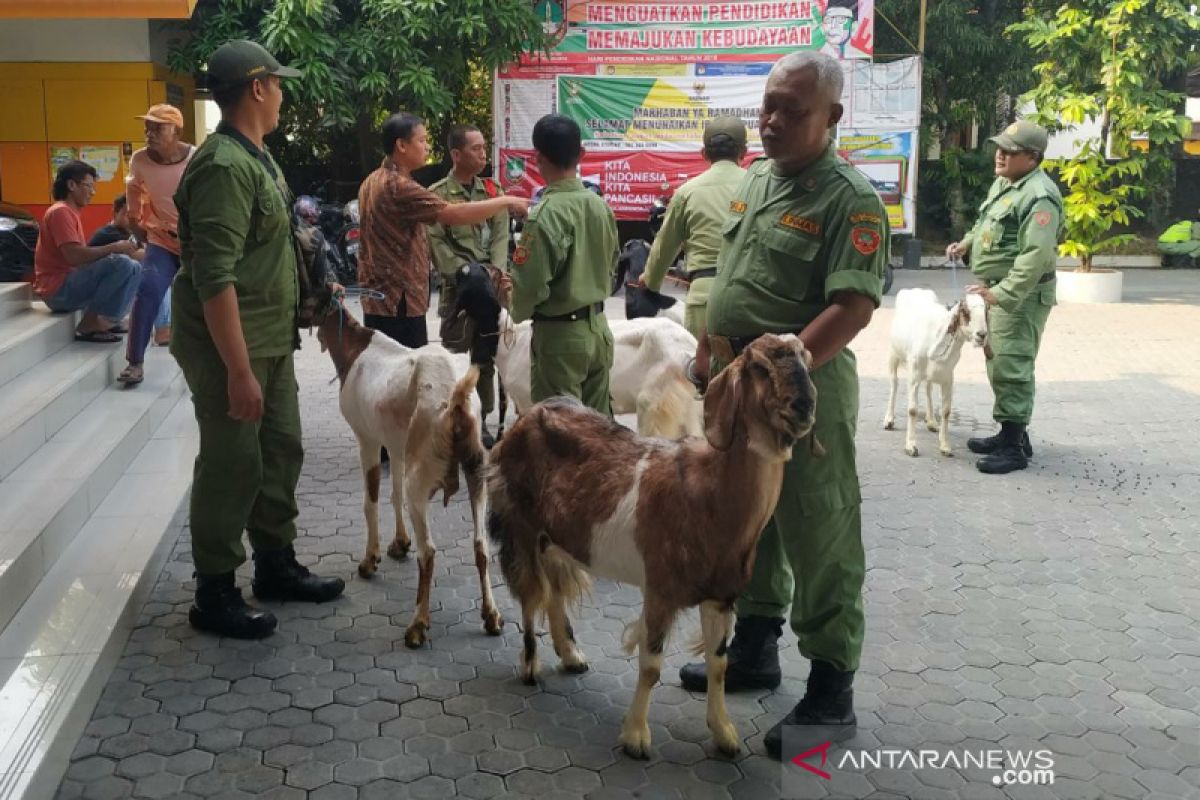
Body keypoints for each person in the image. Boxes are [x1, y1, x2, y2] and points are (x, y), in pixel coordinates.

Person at [674, 52, 887, 762]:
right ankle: (757, 647)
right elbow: (735, 277)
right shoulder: (758, 178)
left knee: (817, 530)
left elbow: (851, 308)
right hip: (738, 381)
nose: (772, 120)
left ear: (832, 117)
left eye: (793, 110)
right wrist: (713, 353)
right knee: (746, 519)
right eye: (768, 105)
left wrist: (784, 372)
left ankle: (831, 690)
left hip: (799, 393)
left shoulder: (848, 198)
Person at [172, 40, 345, 640]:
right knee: (231, 462)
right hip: (232, 349)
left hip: (269, 340)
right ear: (256, 88)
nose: (282, 93)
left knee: (280, 450)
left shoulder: (259, 157)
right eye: (278, 82)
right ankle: (215, 589)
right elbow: (212, 276)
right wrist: (238, 372)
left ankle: (275, 563)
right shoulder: (223, 166)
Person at [946, 119, 1062, 475]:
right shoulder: (1006, 184)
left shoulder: (1040, 196)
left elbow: (1035, 256)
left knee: (1011, 364)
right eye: (999, 148)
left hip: (1019, 294)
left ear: (1032, 157)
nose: (1000, 155)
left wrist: (1002, 293)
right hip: (995, 290)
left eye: (1009, 152)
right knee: (997, 361)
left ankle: (1014, 448)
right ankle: (1011, 432)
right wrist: (965, 245)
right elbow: (984, 225)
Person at [356, 113, 527, 350]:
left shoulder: (373, 180)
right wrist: (506, 200)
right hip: (399, 301)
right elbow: (453, 215)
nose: (427, 147)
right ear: (401, 145)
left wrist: (492, 274)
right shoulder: (399, 186)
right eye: (422, 140)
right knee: (408, 375)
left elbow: (499, 237)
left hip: (382, 299)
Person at [510, 115, 619, 415]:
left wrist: (514, 311)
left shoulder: (544, 215)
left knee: (560, 438)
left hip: (560, 339)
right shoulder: (600, 206)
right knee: (599, 437)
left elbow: (529, 286)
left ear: (537, 158)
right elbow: (612, 262)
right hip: (599, 330)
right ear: (581, 154)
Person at [428, 124, 510, 446]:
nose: (483, 153)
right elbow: (436, 242)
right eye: (475, 148)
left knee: (486, 356)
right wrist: (463, 272)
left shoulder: (493, 190)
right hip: (459, 292)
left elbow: (502, 234)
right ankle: (454, 418)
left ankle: (484, 418)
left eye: (483, 147)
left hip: (492, 288)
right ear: (456, 154)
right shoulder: (437, 195)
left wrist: (496, 272)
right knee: (457, 358)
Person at [636, 116, 748, 338]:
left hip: (704, 298)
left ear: (704, 154)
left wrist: (650, 281)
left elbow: (664, 247)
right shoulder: (760, 188)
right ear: (743, 153)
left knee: (702, 371)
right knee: (751, 371)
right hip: (750, 298)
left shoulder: (687, 192)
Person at [117, 103, 195, 386]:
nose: (149, 132)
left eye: (157, 127)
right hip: (162, 241)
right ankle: (134, 363)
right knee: (148, 290)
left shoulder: (196, 158)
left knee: (205, 300)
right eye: (147, 126)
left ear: (176, 129)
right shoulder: (139, 160)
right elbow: (133, 187)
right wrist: (136, 222)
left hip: (196, 243)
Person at [32, 160, 142, 343]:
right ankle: (90, 323)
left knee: (135, 267)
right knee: (122, 263)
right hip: (57, 291)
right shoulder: (60, 212)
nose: (93, 192)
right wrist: (114, 248)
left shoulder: (69, 212)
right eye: (89, 186)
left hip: (67, 285)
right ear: (71, 185)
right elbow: (74, 257)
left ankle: (106, 321)